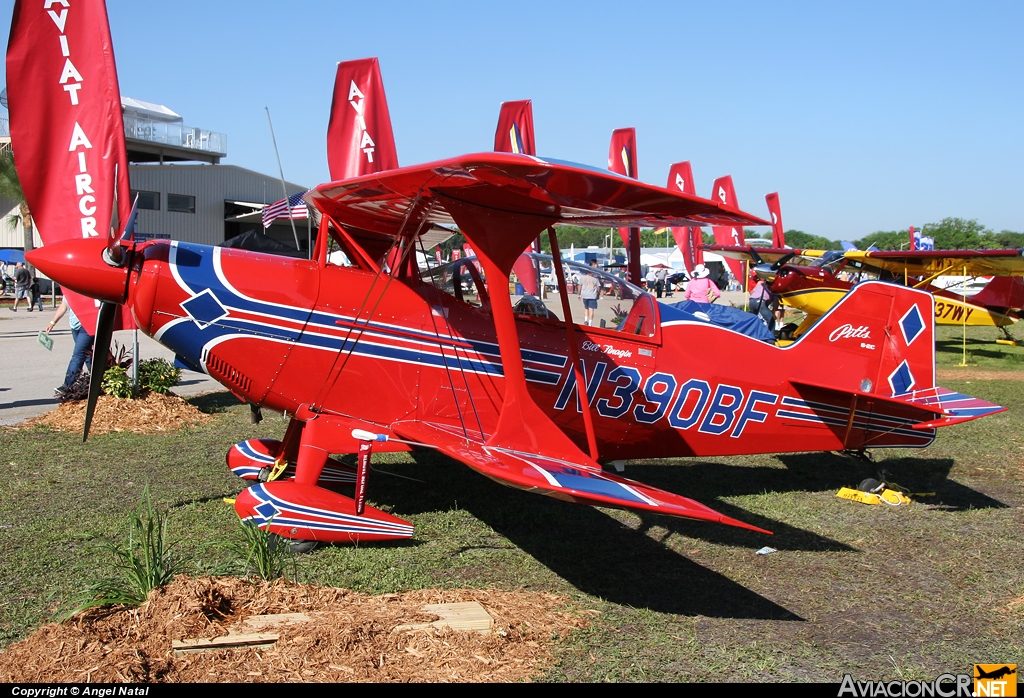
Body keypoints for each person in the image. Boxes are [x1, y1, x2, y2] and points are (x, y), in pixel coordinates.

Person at [46, 299, 94, 402]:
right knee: (87, 355)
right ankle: (100, 380)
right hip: (75, 326)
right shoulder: (68, 289)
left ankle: (67, 385)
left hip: (87, 325)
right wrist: (52, 322)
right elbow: (63, 306)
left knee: (78, 355)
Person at [578, 259, 602, 326]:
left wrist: (579, 294)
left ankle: (585, 320)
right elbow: (598, 287)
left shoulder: (582, 278)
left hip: (584, 295)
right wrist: (598, 294)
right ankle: (590, 323)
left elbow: (579, 286)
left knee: (586, 308)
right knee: (591, 309)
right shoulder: (595, 279)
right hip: (592, 295)